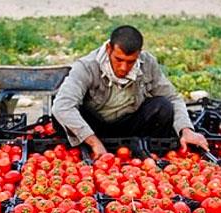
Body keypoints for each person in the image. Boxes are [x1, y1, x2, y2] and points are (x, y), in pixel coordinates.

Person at [52, 25, 208, 158]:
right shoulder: (87, 66)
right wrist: (93, 141)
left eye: (130, 62)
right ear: (108, 49)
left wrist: (186, 130)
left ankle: (149, 152)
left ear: (139, 54)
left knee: (163, 106)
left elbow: (173, 98)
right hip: (94, 125)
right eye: (118, 59)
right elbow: (62, 106)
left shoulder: (147, 63)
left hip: (130, 125)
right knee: (61, 115)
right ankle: (85, 146)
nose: (123, 68)